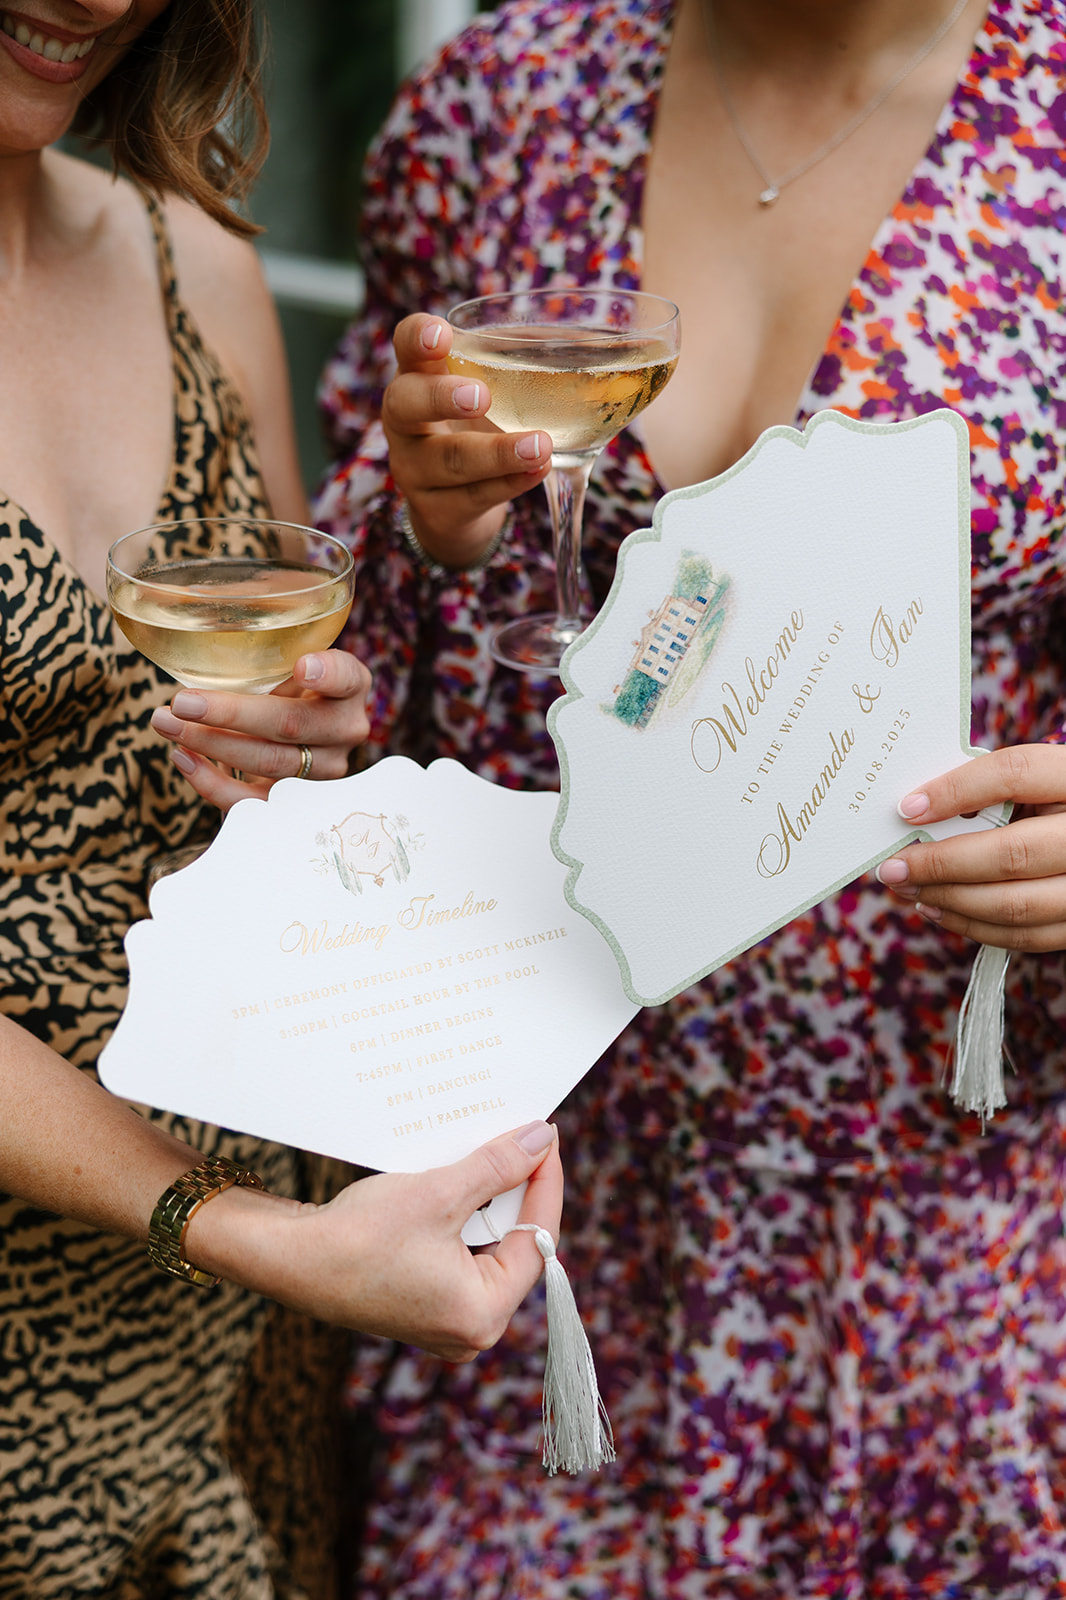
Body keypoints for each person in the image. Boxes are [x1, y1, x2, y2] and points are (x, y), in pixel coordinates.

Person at [314, 0, 1066, 1591]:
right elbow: (339, 642)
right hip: (530, 1186)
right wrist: (432, 530)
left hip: (935, 1221)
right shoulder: (507, 91)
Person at [0, 4, 563, 1597]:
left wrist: (304, 753)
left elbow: (292, 765)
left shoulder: (191, 259)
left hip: (252, 1322)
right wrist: (243, 1229)